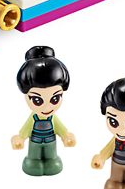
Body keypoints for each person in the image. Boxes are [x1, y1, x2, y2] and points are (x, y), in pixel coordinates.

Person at [11, 46, 76, 176]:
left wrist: (66, 136)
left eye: (55, 99)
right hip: (34, 142)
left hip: (50, 142)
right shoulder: (33, 118)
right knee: (33, 160)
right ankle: (33, 161)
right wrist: (20, 139)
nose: (46, 108)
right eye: (37, 100)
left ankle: (51, 161)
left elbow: (62, 130)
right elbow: (24, 132)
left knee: (52, 160)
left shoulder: (53, 118)